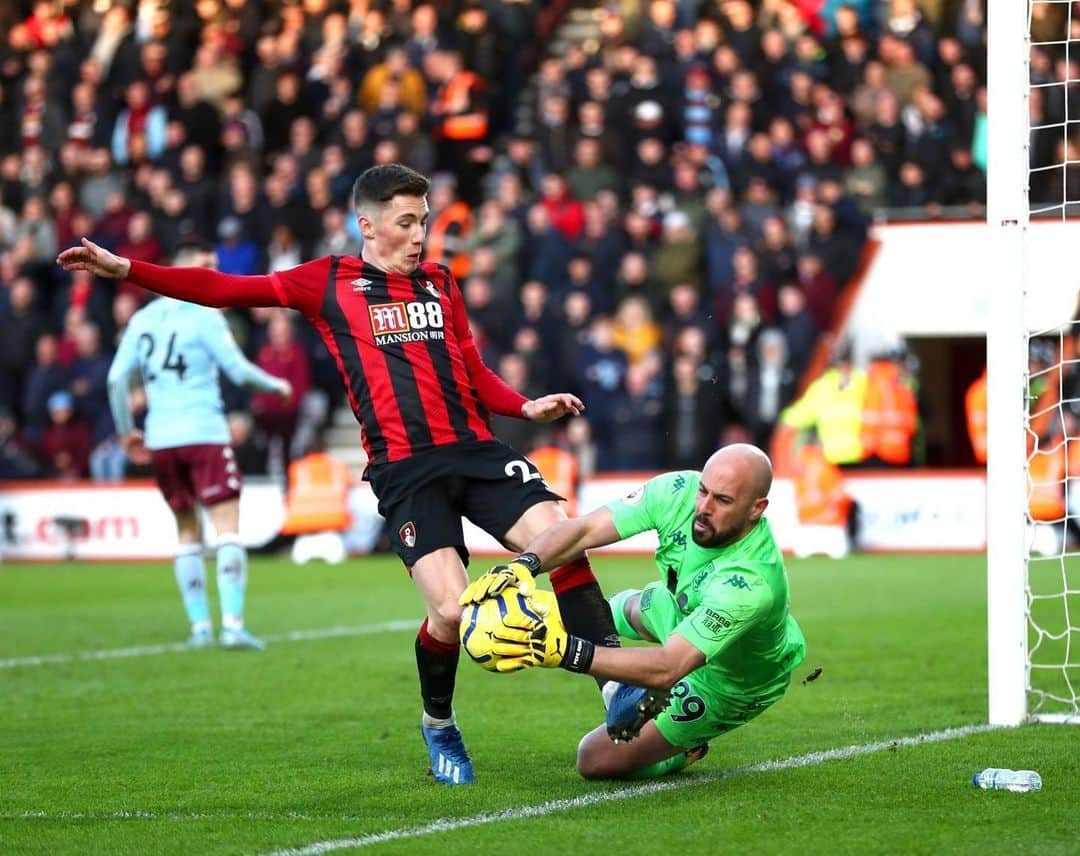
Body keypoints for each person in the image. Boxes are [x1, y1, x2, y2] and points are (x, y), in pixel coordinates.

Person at [58, 163, 617, 787]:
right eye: (406, 223)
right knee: (453, 616)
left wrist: (524, 406)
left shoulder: (439, 282)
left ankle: (619, 689)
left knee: (563, 538)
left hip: (476, 450)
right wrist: (128, 270)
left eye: (424, 223)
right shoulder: (327, 282)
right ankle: (439, 723)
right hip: (406, 471)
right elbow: (224, 288)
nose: (418, 237)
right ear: (368, 225)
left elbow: (472, 368)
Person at [460, 443, 807, 780]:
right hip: (678, 607)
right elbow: (583, 530)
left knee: (594, 759)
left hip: (732, 678)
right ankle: (621, 691)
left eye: (723, 500)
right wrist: (523, 565)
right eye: (704, 491)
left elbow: (670, 666)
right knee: (597, 615)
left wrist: (565, 653)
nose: (703, 507)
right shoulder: (677, 491)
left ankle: (688, 748)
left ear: (756, 508)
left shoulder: (750, 584)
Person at [105, 239, 294, 651]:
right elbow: (239, 372)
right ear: (185, 270)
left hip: (161, 439)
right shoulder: (205, 315)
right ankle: (231, 625)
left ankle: (199, 629)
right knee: (226, 527)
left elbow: (116, 380)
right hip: (204, 432)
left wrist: (126, 432)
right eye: (206, 266)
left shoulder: (142, 320)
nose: (214, 275)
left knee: (187, 531)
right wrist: (276, 385)